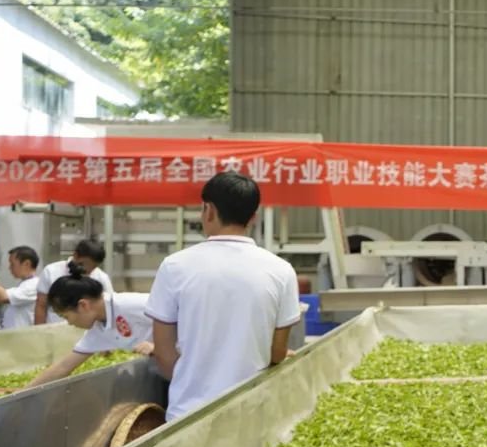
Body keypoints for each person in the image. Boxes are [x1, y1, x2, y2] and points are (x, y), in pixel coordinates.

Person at [145, 172, 300, 421]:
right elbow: (277, 353)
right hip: (251, 414)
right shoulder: (281, 270)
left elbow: (163, 354)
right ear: (253, 217)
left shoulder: (175, 266)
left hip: (187, 417)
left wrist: (195, 381)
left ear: (208, 210)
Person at [24, 262, 154, 388]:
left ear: (83, 305)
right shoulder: (98, 329)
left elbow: (173, 315)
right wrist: (22, 393)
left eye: (66, 317)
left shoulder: (130, 304)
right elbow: (63, 367)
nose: (69, 323)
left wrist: (156, 347)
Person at [35, 239, 113, 325]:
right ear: (75, 255)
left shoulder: (101, 277)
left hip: (88, 331)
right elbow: (41, 305)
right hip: (55, 328)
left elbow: (108, 308)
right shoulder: (51, 271)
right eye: (83, 264)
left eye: (93, 267)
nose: (88, 270)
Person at [0, 246, 40, 329]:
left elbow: (2, 297)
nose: (10, 268)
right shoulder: (26, 284)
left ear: (26, 264)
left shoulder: (34, 285)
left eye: (12, 264)